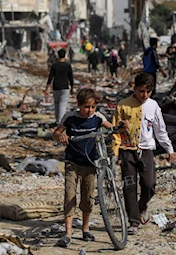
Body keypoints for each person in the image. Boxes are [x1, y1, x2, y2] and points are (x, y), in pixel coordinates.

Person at [53, 89, 122, 247]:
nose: (90, 110)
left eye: (93, 107)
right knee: (70, 194)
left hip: (91, 163)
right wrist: (61, 136)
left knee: (88, 196)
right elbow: (56, 133)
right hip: (72, 162)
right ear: (78, 105)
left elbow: (111, 128)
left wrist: (120, 128)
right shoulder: (70, 118)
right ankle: (68, 233)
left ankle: (85, 229)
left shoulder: (97, 118)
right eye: (86, 107)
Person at [112, 73, 175, 235]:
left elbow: (160, 130)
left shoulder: (153, 106)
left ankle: (142, 206)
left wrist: (169, 148)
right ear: (134, 88)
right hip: (127, 152)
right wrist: (115, 152)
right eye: (141, 91)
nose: (144, 95)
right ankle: (133, 221)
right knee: (129, 187)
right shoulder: (123, 105)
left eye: (148, 91)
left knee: (149, 184)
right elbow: (114, 131)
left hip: (146, 151)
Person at [45, 49, 74, 124]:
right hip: (65, 87)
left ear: (58, 55)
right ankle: (60, 122)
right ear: (65, 55)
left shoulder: (54, 65)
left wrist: (47, 88)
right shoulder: (67, 65)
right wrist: (72, 88)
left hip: (56, 87)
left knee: (57, 104)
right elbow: (71, 78)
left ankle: (57, 120)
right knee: (62, 105)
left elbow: (50, 77)